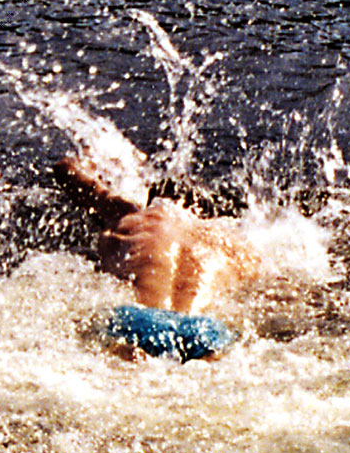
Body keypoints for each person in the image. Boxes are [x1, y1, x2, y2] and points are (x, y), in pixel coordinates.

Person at [55, 151, 261, 359]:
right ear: (198, 209)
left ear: (154, 200)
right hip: (203, 328)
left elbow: (66, 169)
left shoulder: (138, 218)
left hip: (140, 319)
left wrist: (101, 157)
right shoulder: (231, 242)